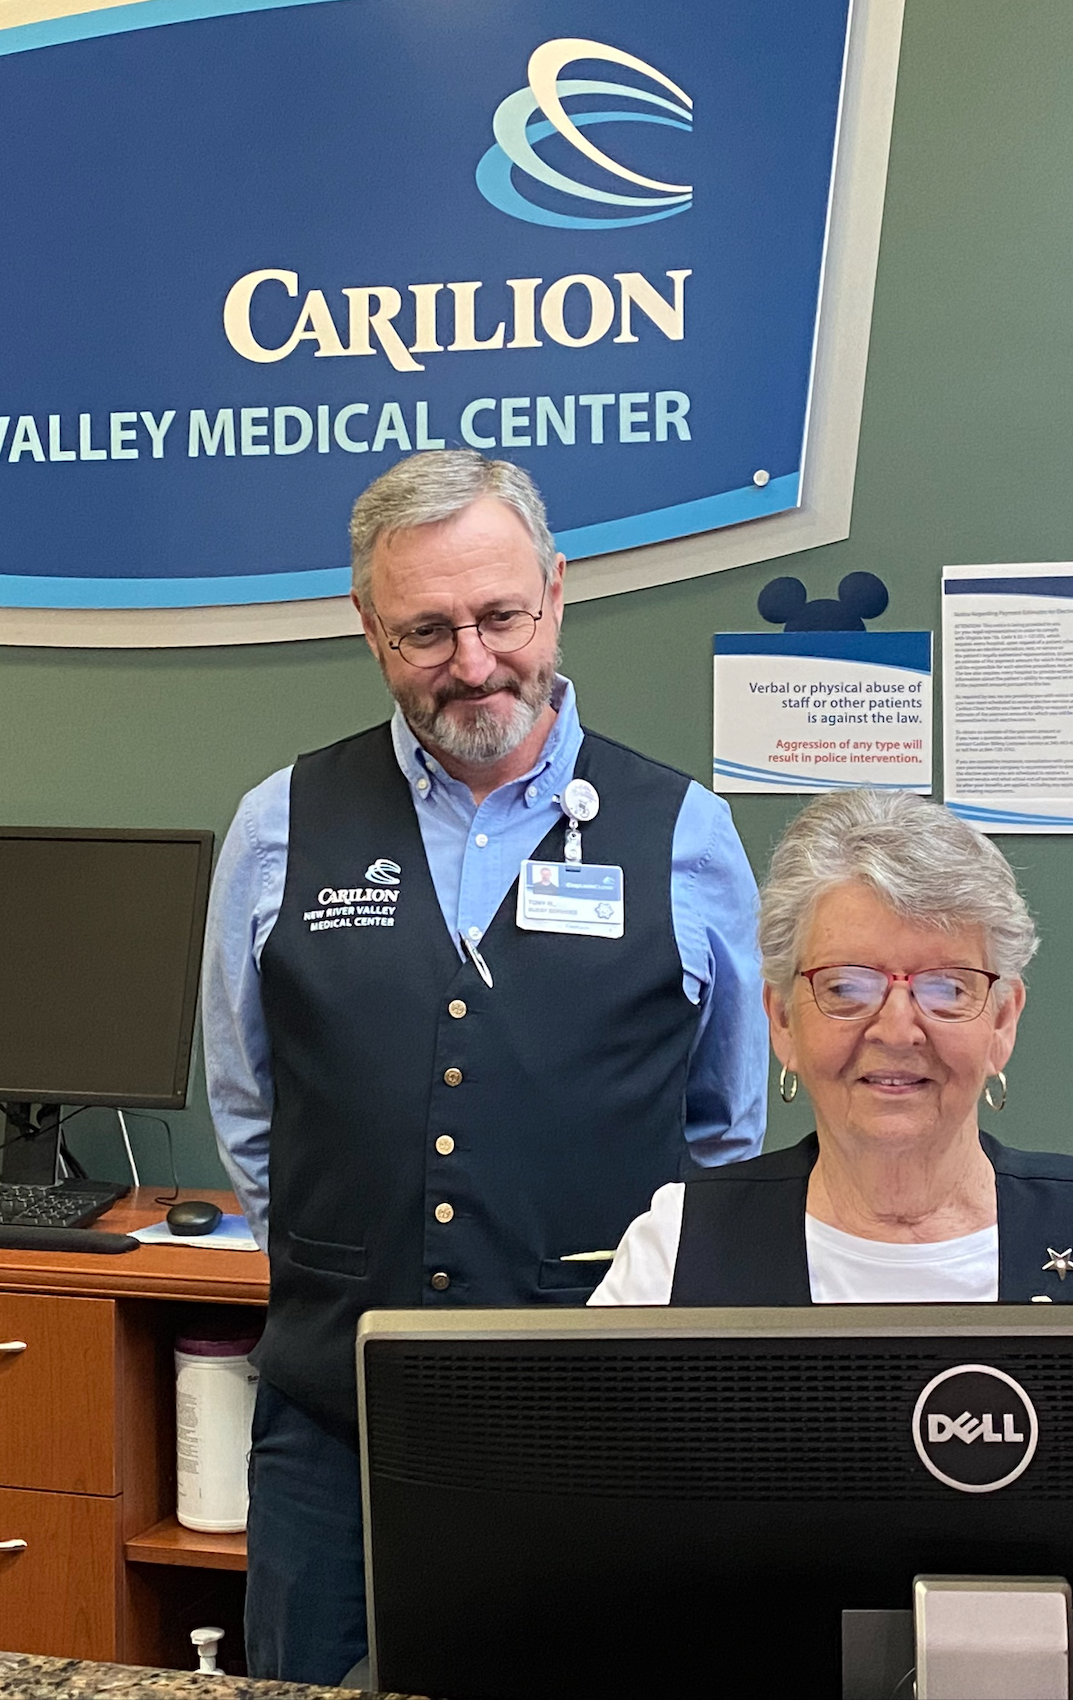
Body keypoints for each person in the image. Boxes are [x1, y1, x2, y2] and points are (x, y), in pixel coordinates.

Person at [202, 451, 766, 1683]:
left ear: (555, 595)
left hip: (602, 1427)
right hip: (332, 1425)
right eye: (425, 630)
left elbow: (722, 1132)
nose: (472, 661)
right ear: (367, 627)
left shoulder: (686, 836)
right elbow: (249, 1104)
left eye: (501, 615)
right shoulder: (277, 825)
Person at [591, 788, 1073, 1306]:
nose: (898, 1030)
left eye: (946, 987)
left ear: (1003, 1021)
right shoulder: (678, 1252)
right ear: (782, 1020)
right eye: (847, 986)